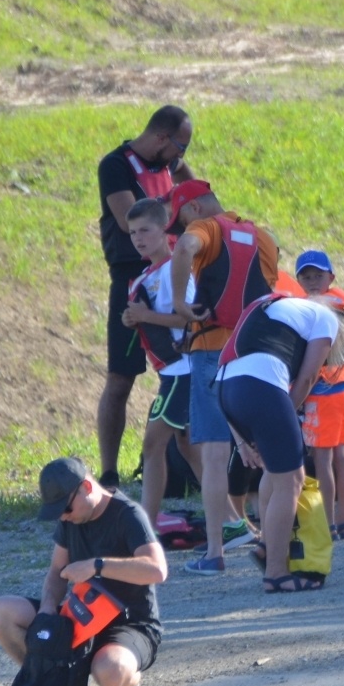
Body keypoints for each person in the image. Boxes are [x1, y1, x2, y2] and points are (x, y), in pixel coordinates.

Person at [0, 457, 168, 686]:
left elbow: (157, 570)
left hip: (129, 624)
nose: (63, 516)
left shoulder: (128, 515)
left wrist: (97, 566)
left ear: (87, 487)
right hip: (81, 617)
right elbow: (56, 573)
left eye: (66, 508)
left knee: (112, 671)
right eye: (58, 512)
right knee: (1, 613)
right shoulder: (71, 519)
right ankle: (49, 680)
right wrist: (47, 610)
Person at [166, 180, 279, 574]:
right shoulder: (263, 237)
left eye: (181, 219)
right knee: (270, 450)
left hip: (211, 349)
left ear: (195, 208)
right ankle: (271, 543)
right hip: (255, 350)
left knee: (213, 455)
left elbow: (185, 248)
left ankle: (215, 552)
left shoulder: (206, 229)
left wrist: (179, 303)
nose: (181, 230)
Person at [96, 105, 194, 489]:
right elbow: (127, 220)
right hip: (132, 279)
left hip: (171, 271)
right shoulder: (115, 165)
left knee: (185, 366)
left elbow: (197, 190)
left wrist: (186, 187)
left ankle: (187, 469)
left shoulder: (169, 162)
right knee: (121, 378)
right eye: (180, 147)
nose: (181, 156)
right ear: (161, 138)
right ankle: (108, 472)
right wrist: (175, 202)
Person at [214, 293, 339, 592]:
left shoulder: (269, 305)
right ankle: (276, 573)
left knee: (276, 469)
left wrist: (242, 441)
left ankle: (267, 547)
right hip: (260, 385)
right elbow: (308, 378)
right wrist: (286, 415)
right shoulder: (327, 319)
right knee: (292, 480)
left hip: (224, 387)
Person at [119, 197, 196, 527]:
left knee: (153, 444)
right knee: (189, 446)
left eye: (145, 230)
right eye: (133, 232)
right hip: (170, 372)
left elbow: (191, 320)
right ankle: (231, 517)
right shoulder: (144, 276)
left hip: (183, 370)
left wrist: (146, 316)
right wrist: (132, 319)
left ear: (165, 229)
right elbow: (147, 316)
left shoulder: (176, 269)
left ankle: (146, 525)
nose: (138, 238)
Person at [294, 250, 344, 538]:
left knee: (323, 458)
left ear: (331, 277)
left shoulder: (311, 312)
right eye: (306, 277)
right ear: (298, 280)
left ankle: (330, 523)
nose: (312, 281)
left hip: (322, 388)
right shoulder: (341, 310)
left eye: (317, 276)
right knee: (341, 455)